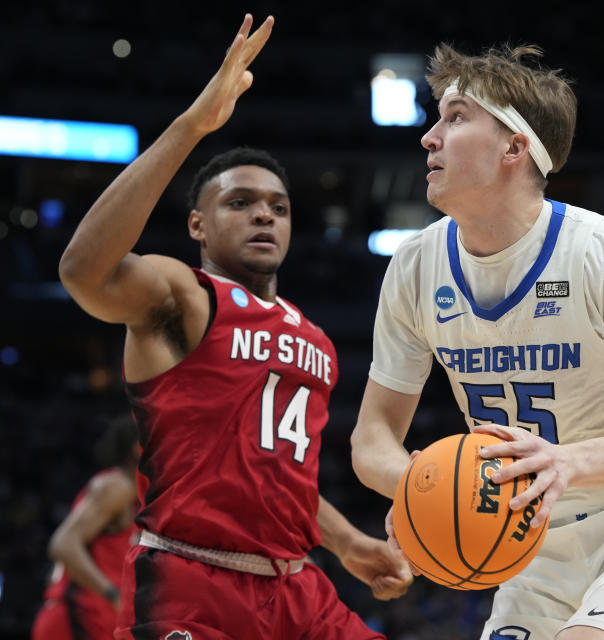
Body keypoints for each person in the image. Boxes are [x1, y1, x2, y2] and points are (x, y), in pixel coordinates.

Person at [350, 42, 604, 640]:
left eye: (454, 118)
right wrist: (422, 490)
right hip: (530, 542)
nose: (429, 137)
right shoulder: (414, 268)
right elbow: (372, 437)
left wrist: (566, 463)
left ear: (514, 146)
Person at [58, 14, 411, 640]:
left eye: (279, 207)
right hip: (190, 580)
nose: (264, 216)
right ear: (198, 225)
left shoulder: (317, 341)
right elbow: (85, 270)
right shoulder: (183, 297)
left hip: (299, 586)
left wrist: (348, 543)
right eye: (240, 203)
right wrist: (191, 126)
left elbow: (277, 474)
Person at [32, 415, 140, 640]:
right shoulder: (117, 486)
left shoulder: (139, 497)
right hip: (74, 622)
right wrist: (113, 595)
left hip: (96, 624)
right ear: (136, 449)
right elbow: (63, 545)